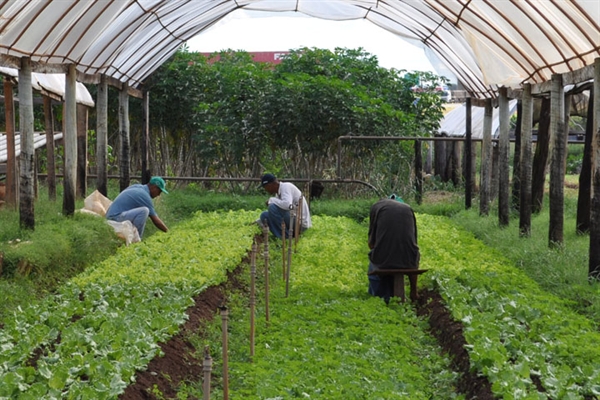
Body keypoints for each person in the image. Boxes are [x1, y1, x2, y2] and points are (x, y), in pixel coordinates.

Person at [367, 196, 420, 303]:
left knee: (374, 262)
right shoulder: (408, 209)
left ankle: (380, 297)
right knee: (413, 254)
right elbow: (414, 241)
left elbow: (371, 243)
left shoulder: (376, 207)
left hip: (383, 261)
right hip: (409, 261)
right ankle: (414, 291)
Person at [257, 173, 312, 239]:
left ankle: (285, 237)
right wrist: (258, 221)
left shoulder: (286, 187)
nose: (266, 190)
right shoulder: (278, 194)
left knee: (272, 207)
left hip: (301, 224)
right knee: (264, 215)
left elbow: (288, 205)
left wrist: (271, 200)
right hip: (292, 220)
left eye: (265, 187)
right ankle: (282, 235)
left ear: (271, 185)